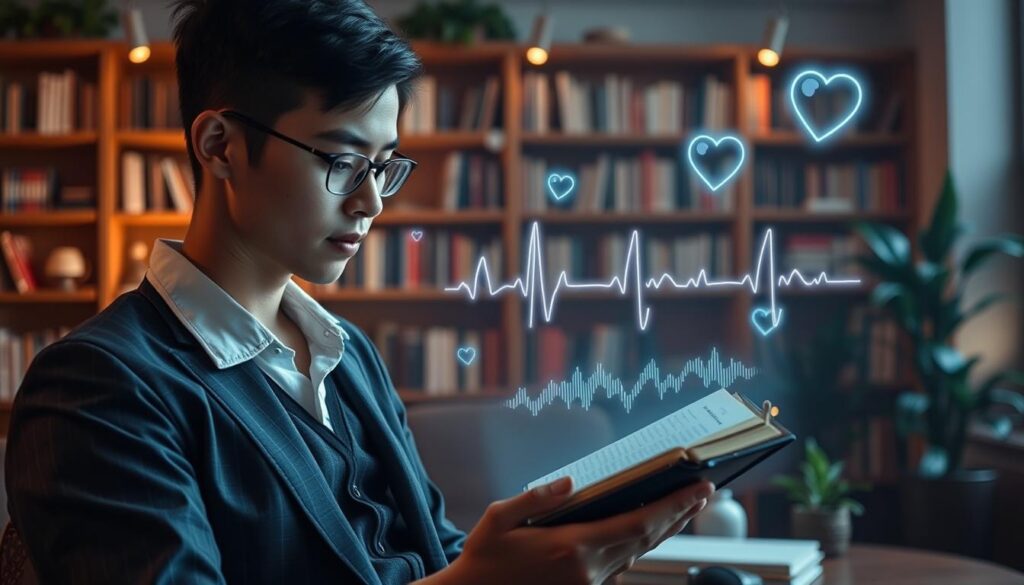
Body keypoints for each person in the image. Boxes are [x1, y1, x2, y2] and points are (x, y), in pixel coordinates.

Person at [3, 1, 714, 583]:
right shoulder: (101, 386)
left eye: (384, 165)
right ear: (219, 145)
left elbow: (435, 554)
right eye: (343, 161)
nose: (372, 201)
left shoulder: (349, 357)